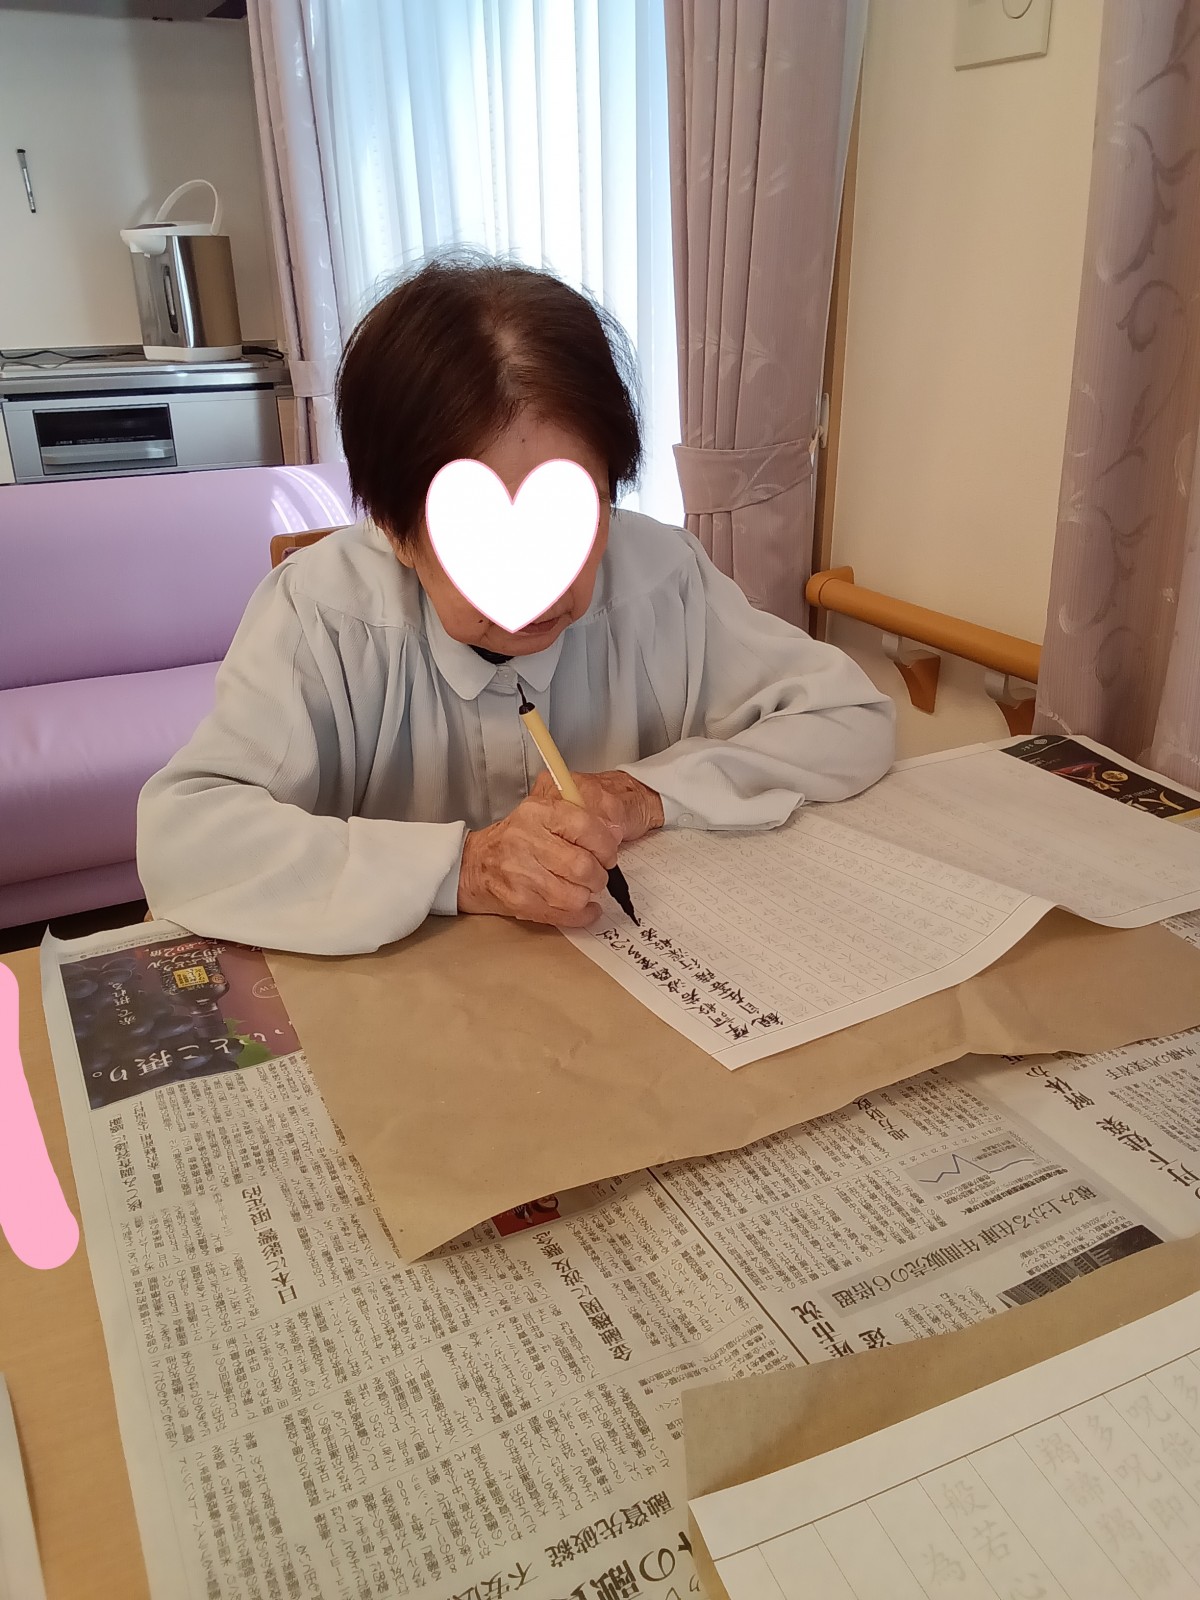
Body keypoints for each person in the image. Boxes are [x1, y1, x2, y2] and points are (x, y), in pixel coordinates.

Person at [137, 256, 895, 956]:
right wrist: (464, 867)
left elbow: (849, 719)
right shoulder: (322, 613)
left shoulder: (661, 576)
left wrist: (644, 795)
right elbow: (184, 839)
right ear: (395, 529)